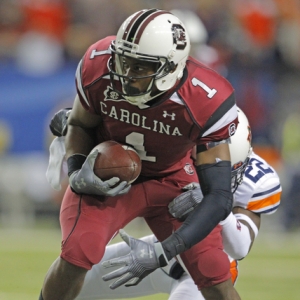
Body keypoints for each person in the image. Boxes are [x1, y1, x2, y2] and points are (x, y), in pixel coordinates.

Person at [40, 8, 241, 300]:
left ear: (170, 67)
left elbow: (219, 197)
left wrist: (164, 251)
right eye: (122, 61)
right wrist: (76, 170)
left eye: (139, 67)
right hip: (108, 175)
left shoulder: (208, 98)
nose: (125, 74)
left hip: (173, 179)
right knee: (78, 252)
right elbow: (81, 124)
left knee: (214, 273)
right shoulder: (98, 65)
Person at [62, 108, 279, 300]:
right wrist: (73, 119)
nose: (215, 173)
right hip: (159, 248)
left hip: (202, 271)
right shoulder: (172, 147)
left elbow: (239, 247)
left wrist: (214, 203)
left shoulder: (259, 179)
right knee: (67, 282)